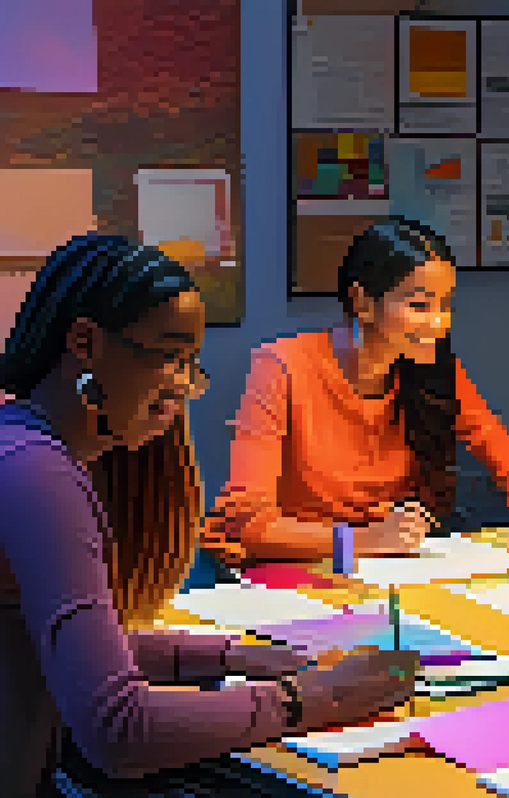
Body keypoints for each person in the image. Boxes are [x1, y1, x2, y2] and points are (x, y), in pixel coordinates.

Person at [0, 234, 416, 796]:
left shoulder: (21, 441)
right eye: (169, 357)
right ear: (85, 343)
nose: (183, 387)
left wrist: (233, 654)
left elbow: (64, 650)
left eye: (190, 363)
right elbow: (119, 730)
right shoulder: (39, 473)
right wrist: (323, 697)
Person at [207, 219, 509, 565]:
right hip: (296, 569)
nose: (439, 323)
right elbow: (245, 523)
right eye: (419, 305)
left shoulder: (435, 369)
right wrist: (366, 539)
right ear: (361, 302)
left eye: (446, 305)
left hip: (390, 570)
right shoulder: (282, 367)